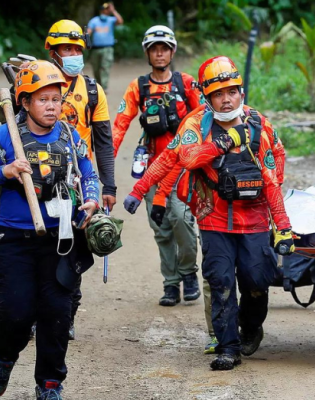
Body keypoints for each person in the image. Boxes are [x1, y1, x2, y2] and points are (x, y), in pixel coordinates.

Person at [121, 56, 294, 371]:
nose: (226, 100)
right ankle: (228, 347)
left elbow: (271, 179)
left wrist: (282, 227)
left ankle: (251, 325)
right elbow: (180, 158)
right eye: (218, 94)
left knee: (257, 281)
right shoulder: (197, 123)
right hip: (213, 216)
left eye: (231, 92)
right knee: (221, 281)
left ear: (241, 91)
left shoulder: (260, 124)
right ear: (206, 96)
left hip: (254, 219)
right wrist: (139, 190)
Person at [0, 60, 100, 400]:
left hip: (61, 240)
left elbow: (89, 175)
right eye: (42, 99)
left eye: (56, 99)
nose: (50, 106)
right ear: (25, 102)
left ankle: (50, 384)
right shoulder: (7, 135)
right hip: (13, 239)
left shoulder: (71, 138)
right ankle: (4, 358)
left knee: (57, 313)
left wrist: (90, 201)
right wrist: (7, 170)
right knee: (18, 312)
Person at [113, 25, 203, 309]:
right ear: (147, 53)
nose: (160, 52)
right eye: (154, 48)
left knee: (181, 220)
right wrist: (104, 165)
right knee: (161, 227)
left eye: (164, 47)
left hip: (185, 166)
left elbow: (205, 117)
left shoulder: (186, 83)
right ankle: (171, 283)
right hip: (152, 167)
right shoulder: (138, 87)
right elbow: (119, 125)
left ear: (172, 51)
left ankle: (189, 273)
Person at [46, 19, 116, 340]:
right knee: (38, 250)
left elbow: (103, 140)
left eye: (78, 49)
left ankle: (67, 312)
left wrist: (109, 186)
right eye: (67, 49)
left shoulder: (92, 90)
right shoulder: (37, 85)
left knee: (72, 252)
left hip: (77, 183)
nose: (74, 54)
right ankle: (38, 312)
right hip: (39, 179)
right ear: (53, 52)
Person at [86, 2, 123, 88]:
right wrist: (85, 40)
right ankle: (99, 86)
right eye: (104, 9)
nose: (105, 11)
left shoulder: (111, 20)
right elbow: (89, 32)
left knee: (105, 68)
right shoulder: (94, 21)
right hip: (95, 49)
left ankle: (104, 87)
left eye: (107, 9)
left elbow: (120, 21)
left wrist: (113, 11)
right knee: (96, 69)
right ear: (101, 10)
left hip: (107, 48)